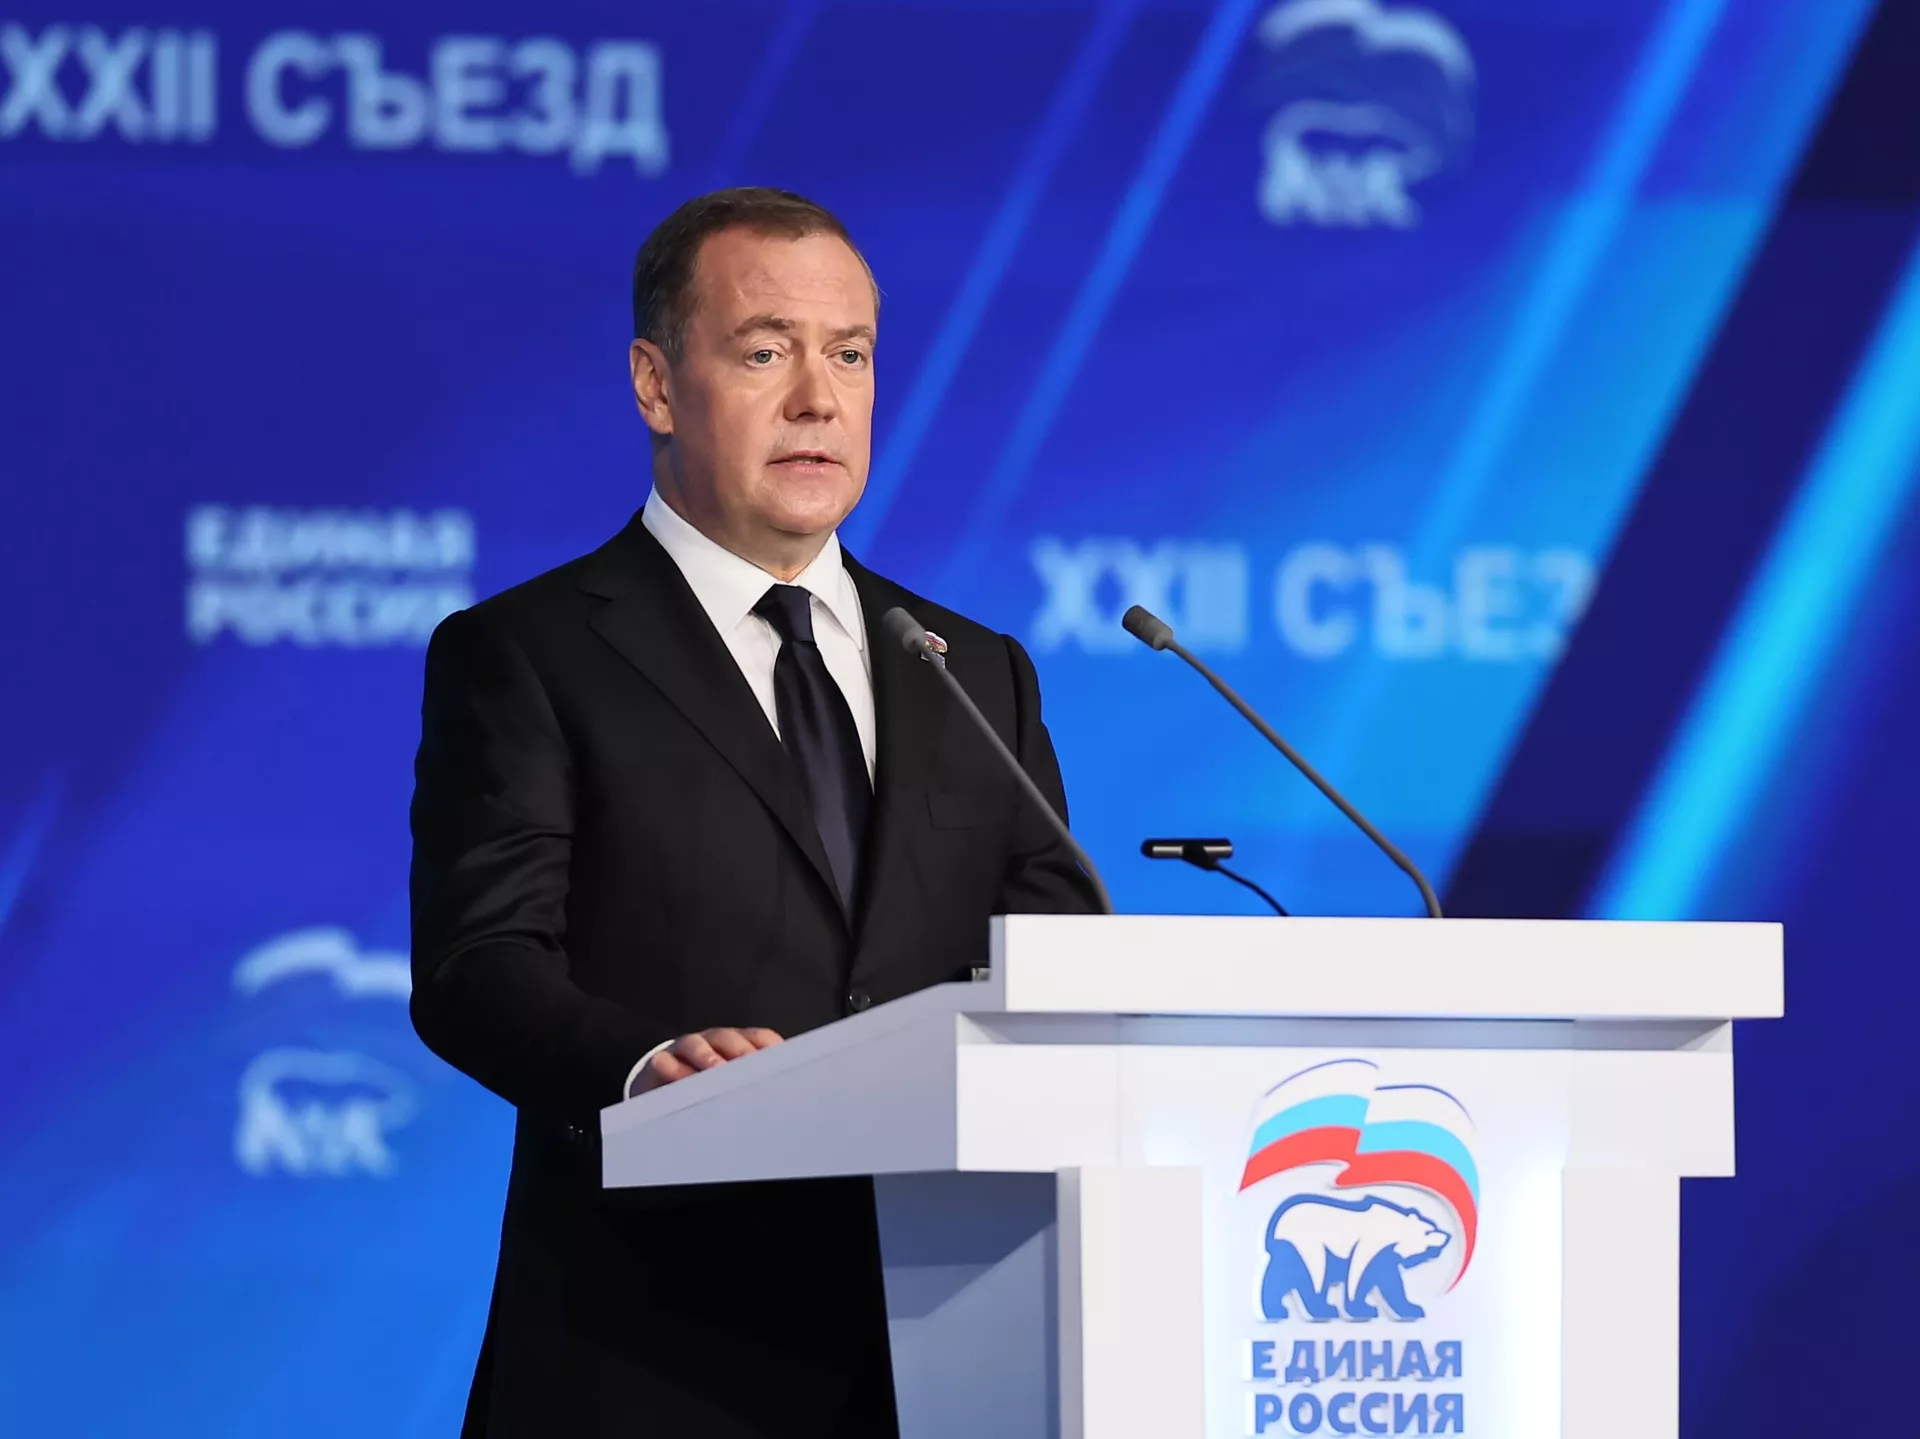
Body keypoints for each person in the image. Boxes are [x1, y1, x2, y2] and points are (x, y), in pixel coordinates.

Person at [408, 186, 1100, 1439]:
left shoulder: (972, 667)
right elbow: (478, 964)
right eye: (766, 351)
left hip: (952, 1358)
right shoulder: (530, 652)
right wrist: (643, 1065)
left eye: (851, 354)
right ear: (656, 385)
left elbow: (1058, 961)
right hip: (651, 1359)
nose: (819, 399)